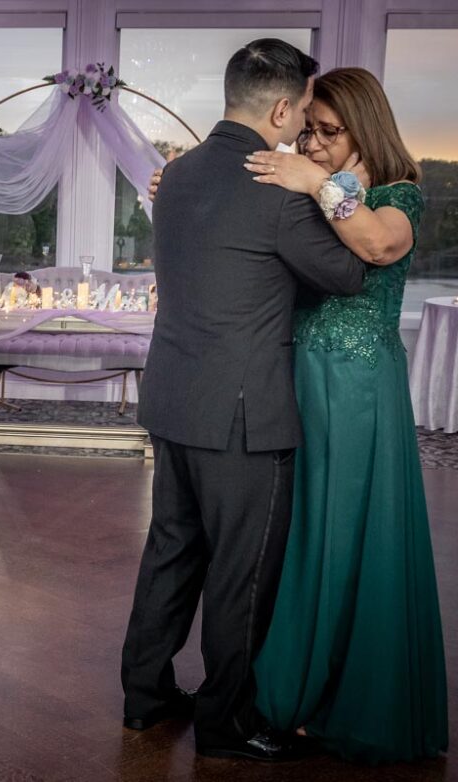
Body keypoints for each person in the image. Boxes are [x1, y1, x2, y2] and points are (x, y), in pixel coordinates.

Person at [120, 39, 367, 762]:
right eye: (301, 118)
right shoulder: (277, 188)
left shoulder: (178, 174)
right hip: (243, 418)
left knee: (171, 552)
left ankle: (144, 698)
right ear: (285, 107)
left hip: (173, 399)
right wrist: (331, 186)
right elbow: (350, 275)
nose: (302, 134)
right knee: (241, 573)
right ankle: (226, 726)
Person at [241, 67, 448, 764]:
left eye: (332, 131)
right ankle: (299, 686)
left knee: (349, 531)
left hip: (361, 387)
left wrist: (315, 182)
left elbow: (378, 246)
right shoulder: (309, 188)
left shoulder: (399, 193)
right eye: (312, 130)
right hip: (299, 374)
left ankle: (338, 697)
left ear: (365, 126)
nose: (318, 143)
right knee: (303, 533)